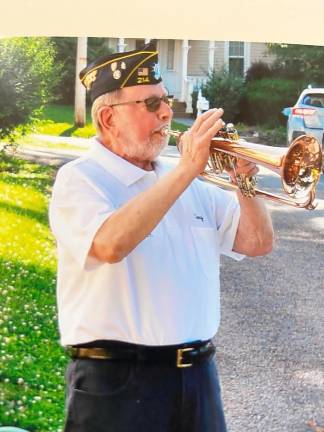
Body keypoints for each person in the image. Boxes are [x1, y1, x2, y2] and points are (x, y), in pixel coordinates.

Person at [49, 41, 274, 432]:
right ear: (107, 118)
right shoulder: (81, 179)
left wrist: (244, 185)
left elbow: (256, 243)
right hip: (116, 382)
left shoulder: (184, 181)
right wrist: (186, 170)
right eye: (151, 104)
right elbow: (109, 244)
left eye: (165, 100)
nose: (168, 112)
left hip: (198, 377)